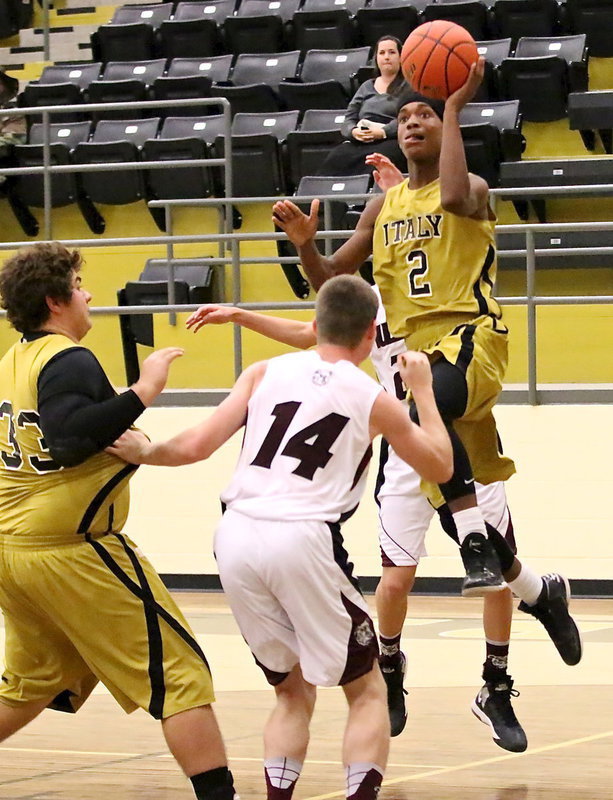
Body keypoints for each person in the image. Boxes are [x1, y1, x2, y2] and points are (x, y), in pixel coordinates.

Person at [271, 57, 582, 724]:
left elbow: (447, 196)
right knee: (411, 565)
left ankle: (495, 679)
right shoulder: (383, 206)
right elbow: (333, 284)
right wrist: (303, 244)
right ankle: (529, 593)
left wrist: (452, 108)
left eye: (423, 116)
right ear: (391, 137)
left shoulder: (465, 183)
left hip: (466, 343)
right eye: (404, 117)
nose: (412, 122)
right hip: (412, 380)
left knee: (431, 407)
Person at [183, 287, 581, 754]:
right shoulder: (372, 298)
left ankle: (495, 684)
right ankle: (390, 666)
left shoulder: (458, 289)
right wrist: (241, 316)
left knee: (490, 573)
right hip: (403, 440)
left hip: (464, 436)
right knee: (395, 581)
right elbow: (311, 333)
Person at [108, 274, 454, 800]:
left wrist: (146, 451)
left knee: (291, 692)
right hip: (302, 537)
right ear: (370, 336)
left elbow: (198, 445)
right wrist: (424, 393)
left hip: (235, 536)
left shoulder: (263, 371)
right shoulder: (373, 396)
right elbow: (442, 465)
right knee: (366, 691)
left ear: (314, 326)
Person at [0, 242, 237, 800]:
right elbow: (68, 439)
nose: (89, 295)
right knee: (181, 675)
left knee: (35, 680)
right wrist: (144, 390)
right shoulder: (67, 359)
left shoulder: (13, 360)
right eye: (80, 285)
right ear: (56, 302)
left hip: (14, 551)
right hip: (72, 549)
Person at [316, 36, 409, 177]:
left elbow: (407, 118)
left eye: (392, 52)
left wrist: (382, 132)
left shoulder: (408, 86)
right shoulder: (366, 86)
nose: (386, 57)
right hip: (361, 140)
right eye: (382, 53)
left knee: (375, 162)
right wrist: (353, 131)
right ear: (376, 58)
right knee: (336, 158)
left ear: (401, 57)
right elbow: (349, 118)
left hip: (390, 139)